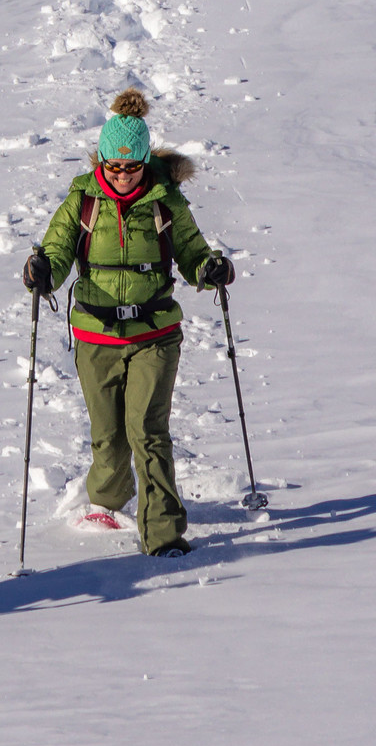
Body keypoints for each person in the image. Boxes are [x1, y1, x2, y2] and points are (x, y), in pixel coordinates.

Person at [22, 89, 233, 558]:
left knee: (147, 431)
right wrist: (42, 272)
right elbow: (55, 252)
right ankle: (109, 499)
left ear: (143, 162)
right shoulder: (82, 201)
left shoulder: (165, 201)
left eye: (131, 167)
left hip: (155, 334)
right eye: (112, 167)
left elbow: (194, 253)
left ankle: (162, 535)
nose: (120, 176)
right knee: (108, 433)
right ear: (102, 161)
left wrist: (210, 269)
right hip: (95, 335)